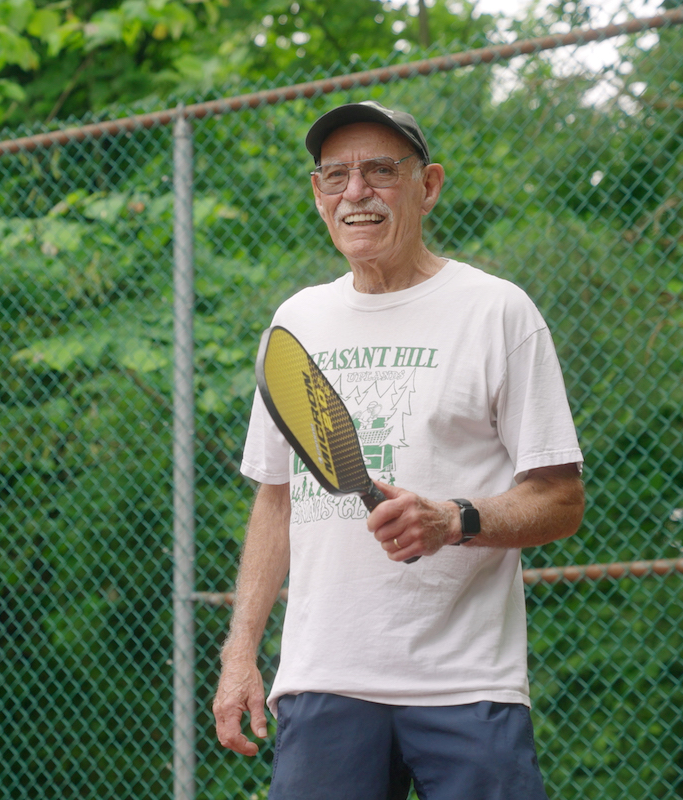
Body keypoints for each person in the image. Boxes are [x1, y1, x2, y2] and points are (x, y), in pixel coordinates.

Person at [212, 100, 586, 800]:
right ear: (318, 195)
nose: (356, 192)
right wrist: (241, 655)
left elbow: (562, 501)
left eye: (381, 171)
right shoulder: (296, 322)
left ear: (429, 185)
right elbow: (276, 498)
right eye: (335, 176)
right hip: (322, 682)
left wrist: (453, 520)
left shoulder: (498, 311)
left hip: (467, 684)